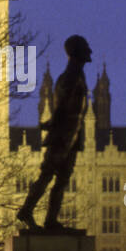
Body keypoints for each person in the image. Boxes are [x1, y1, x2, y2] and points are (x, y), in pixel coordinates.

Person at [17, 34, 92, 232]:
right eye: (86, 47)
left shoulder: (77, 75)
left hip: (72, 137)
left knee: (62, 180)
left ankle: (51, 220)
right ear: (77, 52)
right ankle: (26, 209)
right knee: (48, 175)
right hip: (62, 137)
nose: (90, 51)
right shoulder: (69, 76)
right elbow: (61, 106)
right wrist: (51, 124)